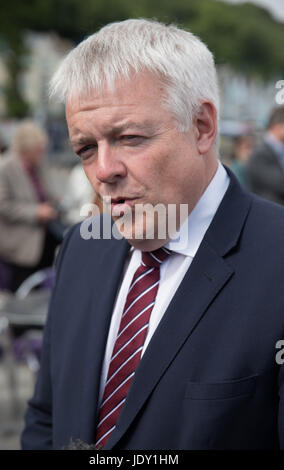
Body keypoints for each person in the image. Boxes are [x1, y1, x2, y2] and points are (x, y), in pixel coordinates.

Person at [22, 19, 284, 450]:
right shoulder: (82, 247)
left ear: (201, 126)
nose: (103, 171)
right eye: (86, 148)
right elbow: (47, 415)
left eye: (129, 138)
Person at [0, 120, 63, 292]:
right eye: (38, 150)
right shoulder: (2, 168)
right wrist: (36, 212)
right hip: (18, 248)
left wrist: (53, 201)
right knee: (21, 290)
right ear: (26, 150)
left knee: (43, 287)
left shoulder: (38, 165)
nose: (42, 153)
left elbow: (44, 191)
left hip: (44, 240)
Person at [247, 106, 284, 204]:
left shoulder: (278, 150)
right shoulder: (260, 154)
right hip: (271, 213)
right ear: (278, 126)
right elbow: (279, 184)